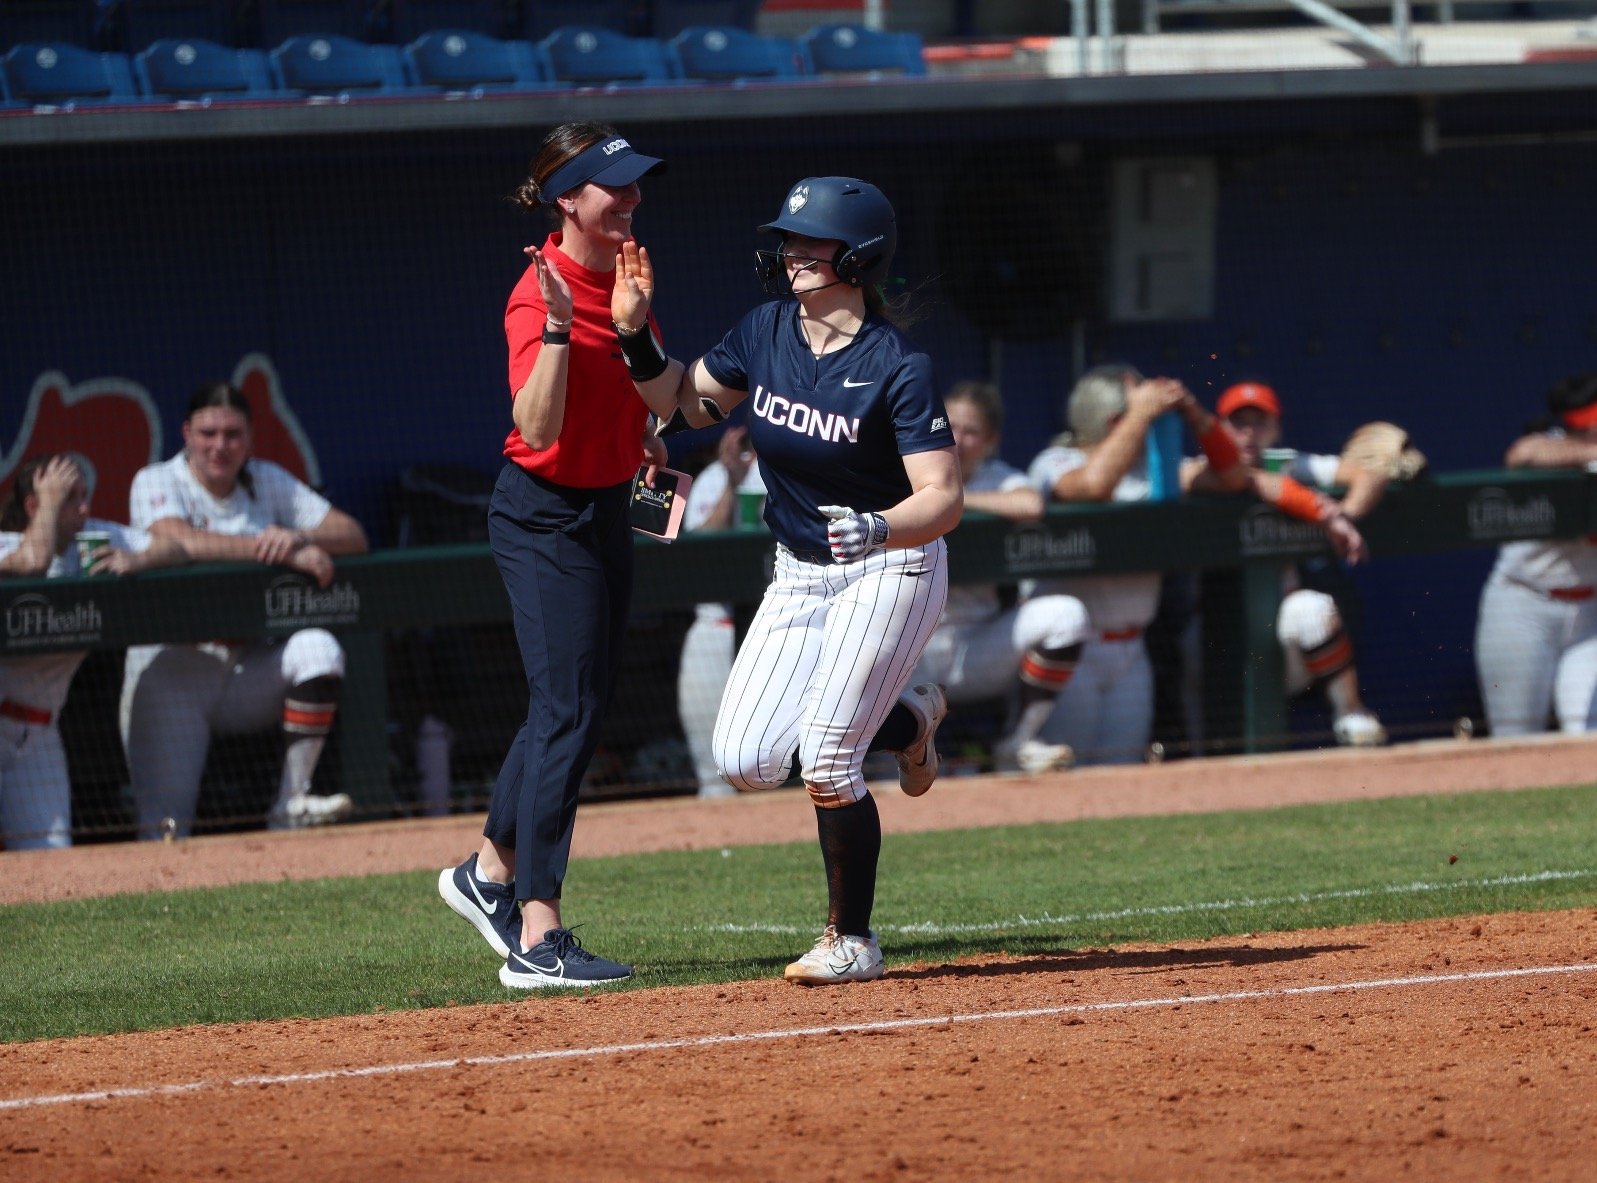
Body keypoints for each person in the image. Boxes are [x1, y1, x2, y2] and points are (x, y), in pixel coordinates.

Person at [620, 175, 963, 985]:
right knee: (743, 759)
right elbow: (682, 405)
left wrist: (881, 524)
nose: (793, 254)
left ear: (861, 254)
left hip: (889, 564)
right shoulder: (766, 329)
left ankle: (851, 939)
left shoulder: (896, 364)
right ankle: (909, 720)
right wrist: (634, 337)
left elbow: (943, 497)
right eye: (789, 240)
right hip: (801, 571)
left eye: (811, 242)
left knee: (828, 761)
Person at [437, 121, 670, 989]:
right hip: (543, 514)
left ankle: (485, 870)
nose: (633, 198)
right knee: (566, 708)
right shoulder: (537, 294)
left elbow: (651, 388)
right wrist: (569, 331)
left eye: (637, 184)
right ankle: (537, 933)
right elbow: (534, 427)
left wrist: (640, 412)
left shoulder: (625, 272)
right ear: (567, 197)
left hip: (608, 503)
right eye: (616, 186)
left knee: (572, 705)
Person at [121, 382, 369, 840]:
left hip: (245, 669)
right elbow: (182, 541)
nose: (220, 445)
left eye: (232, 434)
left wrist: (302, 538)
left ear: (250, 437)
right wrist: (276, 551)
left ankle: (291, 804)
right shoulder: (157, 479)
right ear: (187, 434)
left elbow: (352, 534)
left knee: (318, 648)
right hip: (173, 673)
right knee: (164, 829)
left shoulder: (265, 478)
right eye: (208, 433)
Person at [1027, 364, 1246, 765]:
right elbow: (1092, 487)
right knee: (1063, 774)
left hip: (1132, 652)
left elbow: (1232, 477)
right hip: (1074, 655)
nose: (1152, 412)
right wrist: (1140, 414)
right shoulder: (1056, 460)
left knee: (1122, 773)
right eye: (1140, 408)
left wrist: (1196, 414)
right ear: (1114, 420)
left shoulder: (1156, 469)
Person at [1182, 381, 1388, 747]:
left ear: (1276, 429)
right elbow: (1233, 478)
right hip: (1209, 643)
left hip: (1277, 636)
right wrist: (1314, 509)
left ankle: (1352, 716)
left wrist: (1344, 512)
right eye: (1237, 422)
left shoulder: (1290, 464)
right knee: (1204, 751)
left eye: (1258, 423)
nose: (1248, 432)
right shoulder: (1194, 469)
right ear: (1219, 427)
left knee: (1312, 609)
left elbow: (1369, 474)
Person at [0, 454, 188, 850]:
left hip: (37, 736)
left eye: (85, 496)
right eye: (70, 498)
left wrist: (137, 558)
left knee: (49, 858)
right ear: (34, 505)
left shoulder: (93, 539)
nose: (85, 509)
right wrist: (49, 504)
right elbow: (32, 563)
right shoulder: (7, 544)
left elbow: (176, 548)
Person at [909, 380, 1086, 775]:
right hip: (909, 649)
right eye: (949, 425)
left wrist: (952, 499)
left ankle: (1019, 742)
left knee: (1066, 615)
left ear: (990, 440)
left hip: (975, 647)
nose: (959, 439)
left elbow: (1030, 502)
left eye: (972, 431)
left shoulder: (995, 477)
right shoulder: (906, 468)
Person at [1475, 372, 1597, 737]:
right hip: (1525, 605)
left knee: (1586, 730)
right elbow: (1522, 453)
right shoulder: (1553, 446)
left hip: (1591, 614)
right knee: (1515, 734)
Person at [675, 424, 766, 799]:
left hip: (780, 629)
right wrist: (732, 483)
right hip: (717, 626)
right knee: (714, 777)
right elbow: (701, 554)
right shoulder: (713, 478)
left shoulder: (803, 470)